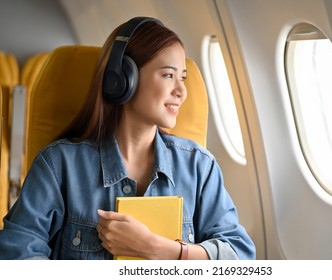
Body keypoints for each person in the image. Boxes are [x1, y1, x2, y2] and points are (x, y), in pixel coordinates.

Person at [0, 16, 256, 260]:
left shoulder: (200, 167)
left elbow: (240, 257)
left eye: (183, 78)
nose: (181, 91)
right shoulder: (59, 165)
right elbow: (17, 253)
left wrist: (160, 249)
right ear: (121, 79)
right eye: (168, 75)